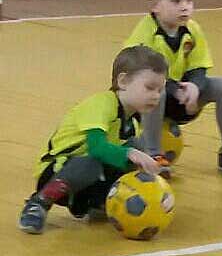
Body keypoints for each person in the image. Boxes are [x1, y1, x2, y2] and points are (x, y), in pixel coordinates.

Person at [18, 46, 167, 234]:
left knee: (136, 146)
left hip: (88, 178)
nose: (156, 96)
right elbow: (96, 148)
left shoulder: (133, 122)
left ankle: (100, 202)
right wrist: (131, 153)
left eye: (160, 90)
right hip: (58, 171)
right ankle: (39, 202)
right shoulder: (101, 104)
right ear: (123, 81)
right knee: (99, 160)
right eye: (149, 88)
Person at [123, 0, 222, 177]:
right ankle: (153, 154)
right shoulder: (145, 34)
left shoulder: (192, 29)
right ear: (154, 5)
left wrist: (195, 86)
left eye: (189, 1)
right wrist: (176, 89)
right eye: (176, 1)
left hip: (183, 96)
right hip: (150, 100)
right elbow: (145, 77)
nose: (185, 7)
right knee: (155, 91)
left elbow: (199, 65)